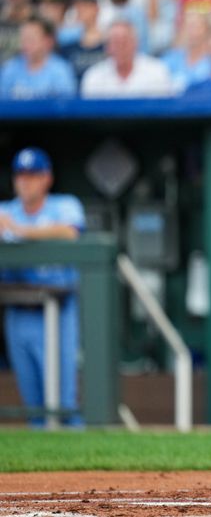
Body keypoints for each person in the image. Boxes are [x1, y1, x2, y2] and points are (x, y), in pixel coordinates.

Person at [0, 147, 85, 427]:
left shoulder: (65, 205)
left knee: (62, 400)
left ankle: (78, 466)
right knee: (33, 404)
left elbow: (70, 232)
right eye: (21, 175)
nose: (26, 181)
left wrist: (20, 232)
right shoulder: (5, 210)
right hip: (18, 312)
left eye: (33, 175)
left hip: (58, 311)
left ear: (46, 178)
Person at [80, 18, 173, 98]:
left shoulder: (157, 72)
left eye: (125, 41)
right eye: (116, 42)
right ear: (107, 47)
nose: (121, 47)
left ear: (136, 43)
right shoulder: (94, 77)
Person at [0, 14, 77, 100]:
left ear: (48, 41)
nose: (25, 44)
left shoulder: (61, 71)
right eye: (23, 39)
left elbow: (65, 108)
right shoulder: (9, 69)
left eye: (31, 39)